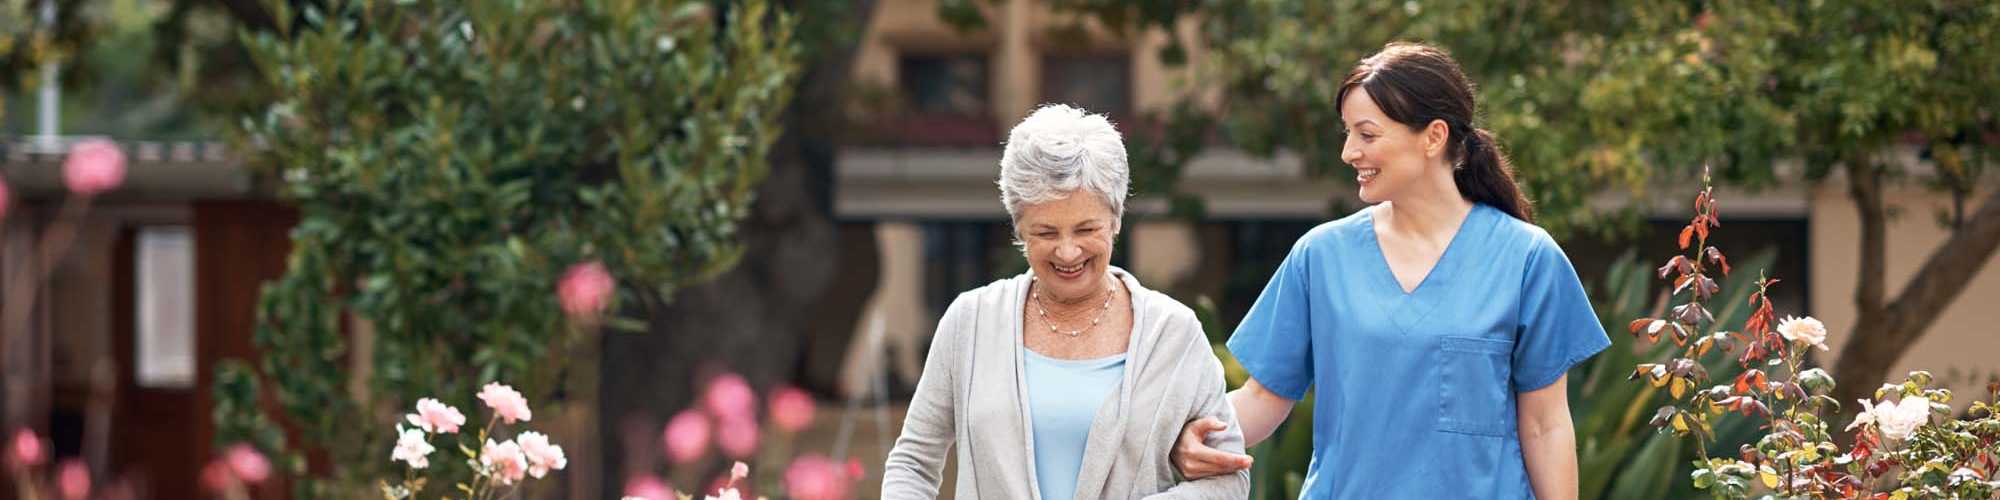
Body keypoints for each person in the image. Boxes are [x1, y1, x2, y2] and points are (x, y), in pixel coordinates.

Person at [1170, 42, 1611, 499]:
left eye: (1367, 134)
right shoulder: (1321, 256)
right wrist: (1189, 438)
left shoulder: (1527, 259)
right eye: (1347, 133)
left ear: (1433, 137)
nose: (1348, 152)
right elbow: (1263, 398)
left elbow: (1544, 424)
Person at [882, 104, 1250, 499]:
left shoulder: (1173, 333)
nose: (1068, 251)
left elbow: (1229, 482)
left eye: (1086, 229)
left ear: (1115, 221)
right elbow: (912, 463)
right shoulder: (971, 322)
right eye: (1046, 233)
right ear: (1019, 229)